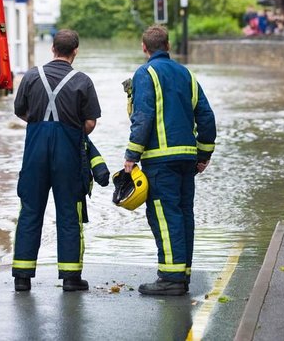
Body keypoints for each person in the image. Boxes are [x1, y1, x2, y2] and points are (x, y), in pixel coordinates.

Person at [123, 25, 216, 296]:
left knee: (164, 216)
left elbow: (144, 116)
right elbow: (206, 116)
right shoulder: (187, 74)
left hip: (160, 161)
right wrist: (204, 153)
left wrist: (131, 155)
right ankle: (182, 273)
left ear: (144, 48)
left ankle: (171, 279)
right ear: (169, 45)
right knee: (184, 214)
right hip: (187, 159)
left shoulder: (144, 73)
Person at [11, 29, 107, 292]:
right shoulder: (83, 81)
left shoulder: (31, 76)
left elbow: (21, 111)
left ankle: (22, 276)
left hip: (35, 152)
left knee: (30, 210)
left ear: (52, 48)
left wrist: (41, 122)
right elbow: (89, 122)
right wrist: (70, 128)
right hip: (68, 153)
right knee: (69, 213)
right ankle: (70, 278)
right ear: (75, 51)